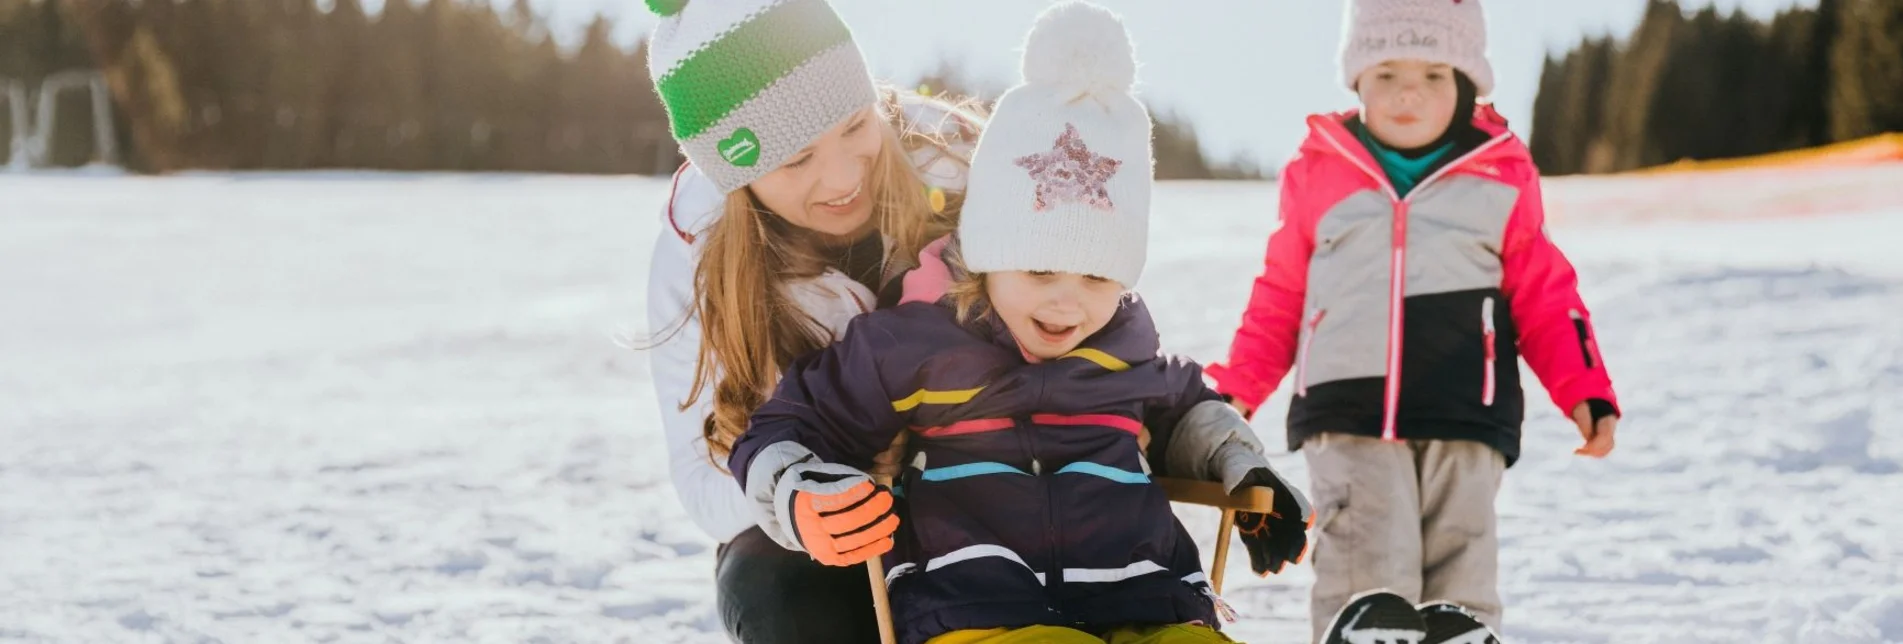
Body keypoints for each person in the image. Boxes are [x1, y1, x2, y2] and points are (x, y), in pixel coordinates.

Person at [727, 5, 1313, 644]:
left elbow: (1193, 412)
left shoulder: (1127, 348)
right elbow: (789, 425)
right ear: (986, 254)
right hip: (981, 611)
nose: (1067, 305)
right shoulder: (913, 344)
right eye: (1038, 272)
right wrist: (804, 496)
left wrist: (1248, 472)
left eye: (1096, 278)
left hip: (1148, 602)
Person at [1204, 0, 1622, 639]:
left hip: (1467, 412)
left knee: (1462, 574)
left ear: (1467, 85)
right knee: (1366, 568)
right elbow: (1280, 294)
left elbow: (1546, 294)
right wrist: (1237, 386)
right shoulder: (1320, 171)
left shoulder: (1501, 175)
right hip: (1348, 413)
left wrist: (1584, 388)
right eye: (1386, 72)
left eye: (1433, 74)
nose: (1408, 93)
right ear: (1358, 80)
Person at [640, 0, 982, 640]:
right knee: (780, 586)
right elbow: (700, 478)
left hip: (990, 489)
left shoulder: (955, 166)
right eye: (796, 159)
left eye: (856, 125)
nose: (844, 177)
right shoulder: (697, 253)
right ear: (734, 170)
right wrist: (799, 498)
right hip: (815, 530)